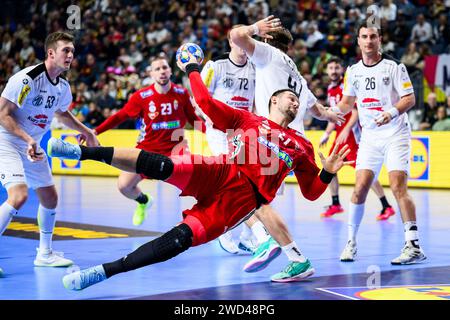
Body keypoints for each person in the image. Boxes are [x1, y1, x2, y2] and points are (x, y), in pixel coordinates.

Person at [50, 52, 352, 290]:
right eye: (290, 96)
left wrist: (326, 172)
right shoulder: (249, 119)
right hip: (222, 171)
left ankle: (103, 272)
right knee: (163, 165)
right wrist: (193, 67)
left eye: (298, 100)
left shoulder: (302, 145)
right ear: (274, 100)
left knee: (179, 240)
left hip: (241, 201)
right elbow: (206, 102)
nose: (295, 101)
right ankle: (81, 152)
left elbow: (312, 193)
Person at [229, 16, 345, 280]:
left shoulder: (268, 55)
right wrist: (329, 115)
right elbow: (317, 110)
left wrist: (253, 29)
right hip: (296, 144)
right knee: (259, 198)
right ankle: (286, 253)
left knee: (239, 188)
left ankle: (266, 242)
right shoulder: (298, 76)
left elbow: (236, 36)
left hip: (273, 138)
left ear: (268, 39)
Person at [0, 31, 99, 275]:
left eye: (72, 52)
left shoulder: (63, 87)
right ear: (51, 53)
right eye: (66, 50)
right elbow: (3, 113)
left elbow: (62, 113)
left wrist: (87, 131)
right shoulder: (28, 79)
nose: (70, 56)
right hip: (8, 142)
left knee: (50, 198)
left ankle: (44, 254)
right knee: (19, 195)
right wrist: (27, 139)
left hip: (32, 146)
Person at [336, 21, 426, 264]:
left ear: (379, 40)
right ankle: (351, 243)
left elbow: (409, 98)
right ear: (358, 41)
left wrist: (391, 113)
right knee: (359, 188)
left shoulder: (394, 66)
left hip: (396, 133)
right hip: (370, 138)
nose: (368, 41)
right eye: (364, 36)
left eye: (373, 36)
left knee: (397, 186)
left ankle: (413, 245)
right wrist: (327, 111)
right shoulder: (353, 71)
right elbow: (346, 103)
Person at [93, 55, 205, 226]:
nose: (162, 71)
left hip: (176, 150)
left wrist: (214, 131)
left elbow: (194, 119)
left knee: (196, 183)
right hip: (147, 149)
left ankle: (206, 217)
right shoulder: (141, 97)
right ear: (151, 74)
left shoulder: (182, 93)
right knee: (124, 186)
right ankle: (144, 201)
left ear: (170, 71)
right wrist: (95, 131)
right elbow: (119, 116)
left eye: (165, 68)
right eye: (157, 69)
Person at [200, 27, 271, 255]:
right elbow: (199, 98)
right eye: (237, 41)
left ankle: (243, 236)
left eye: (245, 41)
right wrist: (212, 120)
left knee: (251, 183)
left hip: (244, 132)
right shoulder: (215, 66)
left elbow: (257, 103)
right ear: (230, 42)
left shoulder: (255, 69)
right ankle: (231, 234)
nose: (242, 46)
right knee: (234, 179)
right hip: (220, 132)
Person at [319, 57, 396, 220]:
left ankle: (386, 206)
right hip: (341, 137)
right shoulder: (330, 89)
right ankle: (335, 203)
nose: (333, 71)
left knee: (365, 173)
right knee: (329, 167)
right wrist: (327, 134)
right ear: (327, 71)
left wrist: (346, 130)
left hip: (352, 137)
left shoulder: (345, 86)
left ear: (342, 70)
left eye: (336, 68)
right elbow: (334, 116)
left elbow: (354, 111)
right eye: (331, 68)